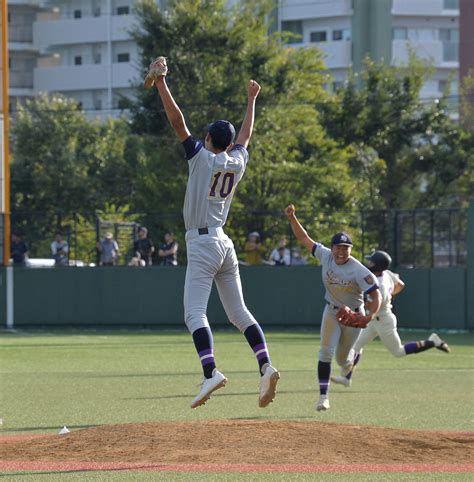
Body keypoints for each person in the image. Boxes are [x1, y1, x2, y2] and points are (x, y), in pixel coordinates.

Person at [150, 56, 279, 409]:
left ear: (208, 138)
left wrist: (162, 83)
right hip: (224, 242)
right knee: (239, 313)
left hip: (204, 242)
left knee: (194, 314)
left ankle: (210, 373)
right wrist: (252, 100)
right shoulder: (237, 161)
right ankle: (265, 365)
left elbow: (178, 122)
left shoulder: (202, 158)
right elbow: (246, 135)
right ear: (228, 142)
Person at [285, 204, 382, 412]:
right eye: (337, 247)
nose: (340, 251)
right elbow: (304, 239)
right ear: (333, 247)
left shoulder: (359, 270)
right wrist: (292, 218)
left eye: (345, 248)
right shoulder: (326, 255)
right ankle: (323, 397)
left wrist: (370, 315)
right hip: (331, 310)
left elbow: (376, 293)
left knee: (342, 359)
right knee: (325, 353)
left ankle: (350, 362)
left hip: (354, 315)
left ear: (351, 250)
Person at [332, 250, 450, 388]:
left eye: (372, 262)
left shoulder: (379, 284)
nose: (369, 263)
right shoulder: (387, 273)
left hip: (383, 321)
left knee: (398, 351)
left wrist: (357, 308)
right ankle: (346, 378)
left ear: (377, 266)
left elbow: (372, 306)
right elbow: (400, 285)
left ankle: (432, 342)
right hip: (374, 320)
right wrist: (389, 295)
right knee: (355, 346)